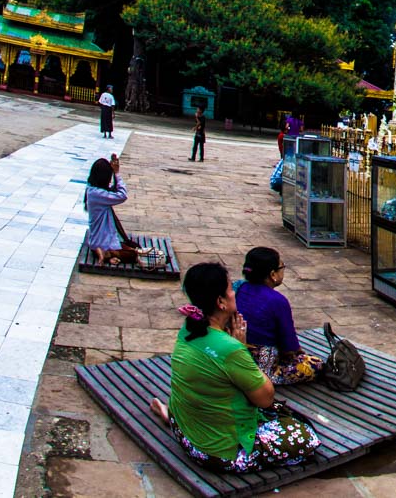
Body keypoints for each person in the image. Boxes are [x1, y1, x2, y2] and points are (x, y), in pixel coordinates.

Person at [148, 263, 320, 473]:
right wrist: (242, 348)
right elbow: (265, 399)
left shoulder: (188, 328)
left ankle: (169, 414)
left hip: (185, 431)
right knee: (305, 437)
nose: (234, 292)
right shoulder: (230, 348)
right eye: (230, 290)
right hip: (218, 454)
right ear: (220, 301)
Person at [236, 248, 326, 385]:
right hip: (261, 368)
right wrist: (299, 355)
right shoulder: (277, 301)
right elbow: (290, 345)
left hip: (236, 356)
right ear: (273, 274)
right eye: (281, 267)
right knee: (316, 365)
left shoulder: (238, 289)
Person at [84, 156, 139, 265]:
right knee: (134, 254)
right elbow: (122, 195)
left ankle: (108, 255)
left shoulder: (92, 189)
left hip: (98, 240)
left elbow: (112, 191)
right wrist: (117, 173)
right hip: (103, 242)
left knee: (135, 247)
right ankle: (108, 253)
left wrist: (114, 171)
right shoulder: (97, 194)